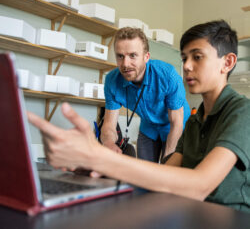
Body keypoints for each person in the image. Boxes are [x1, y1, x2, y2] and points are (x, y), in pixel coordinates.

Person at [28, 20, 250, 212]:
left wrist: (100, 158)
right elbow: (162, 175)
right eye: (184, 58)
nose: (186, 66)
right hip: (195, 212)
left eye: (197, 57)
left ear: (228, 62)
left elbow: (199, 185)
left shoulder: (242, 112)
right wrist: (101, 165)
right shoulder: (195, 121)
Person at [101, 27, 190, 163]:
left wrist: (167, 162)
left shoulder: (167, 76)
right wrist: (108, 143)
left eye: (132, 56)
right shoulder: (112, 81)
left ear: (146, 57)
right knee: (144, 173)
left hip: (174, 125)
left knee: (169, 171)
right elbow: (109, 125)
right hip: (148, 128)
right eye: (120, 56)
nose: (125, 64)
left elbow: (176, 123)